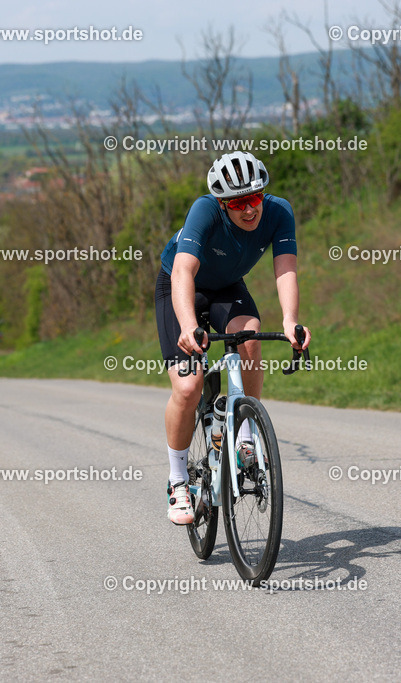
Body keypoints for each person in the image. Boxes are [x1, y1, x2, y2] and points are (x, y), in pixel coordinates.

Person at [156, 151, 310, 525]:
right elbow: (182, 273)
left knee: (250, 338)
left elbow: (285, 270)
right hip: (181, 289)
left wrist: (291, 321)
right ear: (222, 204)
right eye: (238, 203)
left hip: (227, 288)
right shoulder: (204, 211)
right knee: (189, 388)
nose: (249, 210)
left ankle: (245, 435)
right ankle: (178, 481)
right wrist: (190, 325)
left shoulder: (279, 212)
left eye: (254, 198)